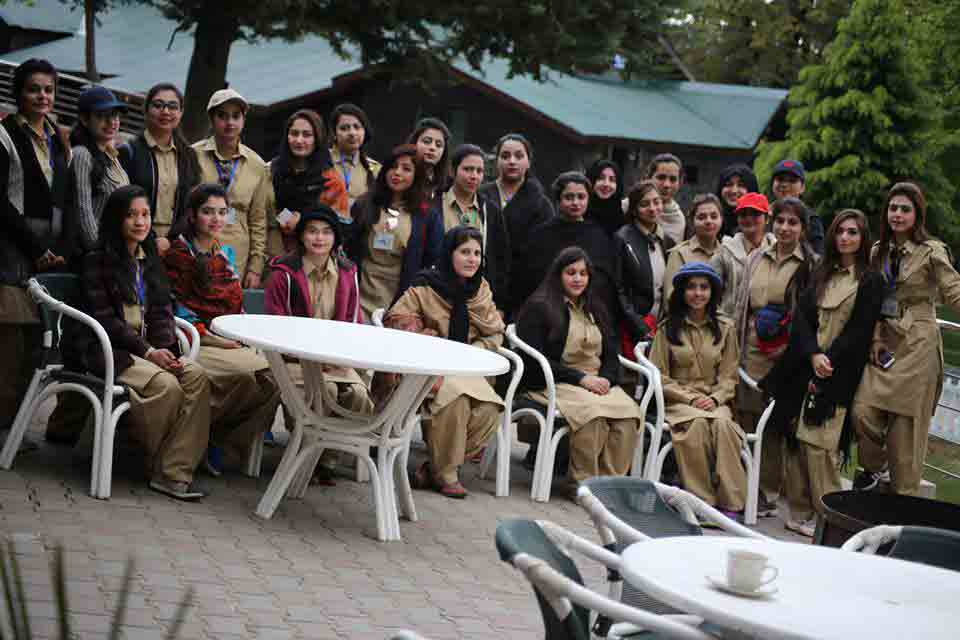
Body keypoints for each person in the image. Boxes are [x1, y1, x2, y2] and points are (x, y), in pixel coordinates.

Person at [65, 185, 211, 500]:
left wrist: (168, 352)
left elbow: (161, 312)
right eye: (131, 215)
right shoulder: (96, 261)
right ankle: (158, 465)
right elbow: (106, 321)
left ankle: (173, 471)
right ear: (116, 219)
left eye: (145, 214)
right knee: (167, 388)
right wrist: (148, 352)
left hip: (148, 352)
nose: (140, 222)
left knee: (196, 375)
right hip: (110, 351)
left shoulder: (149, 261)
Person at [761, 210, 883, 536]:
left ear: (862, 238)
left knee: (820, 446)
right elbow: (801, 316)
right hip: (805, 366)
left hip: (839, 371)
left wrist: (828, 359)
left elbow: (859, 329)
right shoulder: (820, 271)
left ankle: (833, 518)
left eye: (853, 232)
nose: (845, 237)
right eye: (840, 231)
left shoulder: (870, 279)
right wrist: (813, 354)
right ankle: (799, 513)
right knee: (796, 441)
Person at [164, 183, 281, 475]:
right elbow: (179, 311)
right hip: (197, 341)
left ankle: (218, 439)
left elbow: (236, 305)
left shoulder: (224, 254)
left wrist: (238, 336)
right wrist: (217, 341)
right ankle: (203, 440)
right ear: (192, 215)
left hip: (229, 339)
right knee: (256, 376)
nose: (216, 219)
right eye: (207, 212)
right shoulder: (179, 255)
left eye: (222, 212)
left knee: (276, 380)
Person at [852, 182, 960, 495]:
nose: (897, 215)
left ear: (917, 214)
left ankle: (904, 509)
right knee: (862, 411)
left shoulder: (931, 251)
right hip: (884, 340)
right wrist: (874, 338)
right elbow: (874, 300)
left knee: (905, 435)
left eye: (905, 209)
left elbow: (953, 290)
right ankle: (875, 468)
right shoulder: (878, 251)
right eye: (893, 208)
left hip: (918, 343)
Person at [387, 226, 505, 498]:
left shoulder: (481, 291)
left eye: (477, 253)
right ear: (449, 253)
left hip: (468, 369)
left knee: (490, 409)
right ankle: (446, 474)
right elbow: (396, 319)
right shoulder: (425, 286)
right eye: (464, 252)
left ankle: (432, 468)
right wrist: (424, 335)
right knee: (457, 400)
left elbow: (495, 332)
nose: (472, 259)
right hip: (431, 369)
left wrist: (475, 351)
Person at [516, 247, 641, 495]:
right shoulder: (540, 306)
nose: (577, 279)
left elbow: (611, 353)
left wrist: (605, 378)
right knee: (593, 414)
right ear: (558, 275)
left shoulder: (596, 307)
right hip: (554, 381)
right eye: (570, 272)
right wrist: (581, 379)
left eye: (583, 273)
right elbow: (533, 361)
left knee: (629, 415)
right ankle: (582, 485)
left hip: (594, 381)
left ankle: (608, 487)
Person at [264, 206, 373, 483]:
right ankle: (306, 458)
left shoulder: (348, 273)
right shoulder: (283, 273)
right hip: (294, 360)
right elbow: (276, 328)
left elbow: (353, 324)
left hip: (336, 361)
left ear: (335, 239)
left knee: (358, 398)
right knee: (325, 393)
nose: (319, 238)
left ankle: (325, 459)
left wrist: (342, 357)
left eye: (326, 232)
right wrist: (312, 358)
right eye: (312, 231)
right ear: (302, 237)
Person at [0, 58, 72, 432]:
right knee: (9, 344)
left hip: (48, 257)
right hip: (11, 253)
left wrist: (57, 248)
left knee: (36, 345)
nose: (42, 96)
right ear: (19, 93)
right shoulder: (5, 134)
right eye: (33, 89)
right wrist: (34, 247)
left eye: (48, 89)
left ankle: (15, 429)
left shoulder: (59, 139)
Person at [734, 196, 817, 516]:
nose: (785, 228)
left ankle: (768, 494)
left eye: (793, 222)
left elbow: (808, 318)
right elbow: (742, 306)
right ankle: (743, 486)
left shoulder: (809, 264)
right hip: (750, 351)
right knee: (745, 419)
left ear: (802, 228)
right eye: (780, 221)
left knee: (774, 428)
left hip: (785, 356)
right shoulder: (757, 257)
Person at [649, 262, 747, 517]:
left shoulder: (725, 329)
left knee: (725, 427)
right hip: (679, 403)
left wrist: (715, 399)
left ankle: (731, 502)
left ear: (712, 292)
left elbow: (729, 376)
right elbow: (659, 375)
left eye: (704, 287)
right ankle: (701, 503)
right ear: (682, 291)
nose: (698, 293)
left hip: (715, 402)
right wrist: (690, 399)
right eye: (691, 287)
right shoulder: (667, 328)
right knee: (697, 427)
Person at [345, 143, 442, 319]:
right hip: (360, 290)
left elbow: (431, 260)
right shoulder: (364, 204)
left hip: (401, 298)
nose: (397, 173)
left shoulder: (427, 215)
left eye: (406, 169)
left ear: (416, 175)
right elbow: (350, 249)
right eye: (393, 167)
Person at [192, 89, 270, 287]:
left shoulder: (257, 164)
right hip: (198, 248)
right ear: (211, 118)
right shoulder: (193, 155)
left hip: (239, 253)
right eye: (222, 116)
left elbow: (258, 219)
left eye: (236, 116)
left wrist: (255, 266)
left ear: (244, 120)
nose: (230, 123)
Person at [119, 82, 201, 254]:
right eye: (158, 105)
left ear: (181, 113)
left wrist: (170, 240)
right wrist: (151, 240)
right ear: (146, 110)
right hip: (134, 243)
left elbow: (191, 205)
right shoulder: (129, 152)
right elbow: (121, 204)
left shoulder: (188, 156)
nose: (165, 112)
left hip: (175, 247)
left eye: (172, 106)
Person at [478, 134, 554, 317]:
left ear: (528, 162)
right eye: (505, 156)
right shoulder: (481, 194)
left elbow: (542, 255)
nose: (512, 161)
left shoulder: (540, 204)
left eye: (519, 156)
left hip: (523, 293)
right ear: (496, 161)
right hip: (479, 285)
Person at [525, 172, 617, 323]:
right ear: (558, 200)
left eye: (581, 197)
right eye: (569, 197)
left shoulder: (598, 235)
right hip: (549, 312)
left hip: (588, 312)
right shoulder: (541, 234)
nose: (575, 202)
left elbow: (605, 279)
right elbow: (533, 276)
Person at [267, 109, 349, 267]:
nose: (299, 140)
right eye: (294, 133)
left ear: (317, 139)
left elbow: (339, 227)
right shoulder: (271, 171)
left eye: (307, 135)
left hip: (314, 262)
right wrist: (286, 218)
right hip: (273, 257)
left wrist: (302, 221)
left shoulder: (330, 180)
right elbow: (266, 211)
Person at [435, 144, 510, 310]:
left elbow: (500, 261)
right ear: (453, 171)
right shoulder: (434, 203)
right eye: (468, 169)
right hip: (435, 292)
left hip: (476, 297)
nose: (474, 176)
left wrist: (499, 306)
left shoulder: (490, 210)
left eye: (479, 171)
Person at [613, 180, 675, 358]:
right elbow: (618, 289)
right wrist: (638, 324)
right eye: (644, 204)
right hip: (635, 324)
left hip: (662, 323)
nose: (652, 208)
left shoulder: (666, 240)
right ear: (634, 209)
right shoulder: (622, 238)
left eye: (657, 202)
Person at [71, 86, 130, 252]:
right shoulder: (81, 154)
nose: (112, 122)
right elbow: (83, 211)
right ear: (84, 119)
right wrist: (97, 249)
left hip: (117, 250)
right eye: (102, 116)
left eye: (115, 115)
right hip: (96, 255)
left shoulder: (112, 155)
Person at [710, 192, 775, 318]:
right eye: (743, 214)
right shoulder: (725, 251)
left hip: (764, 328)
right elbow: (712, 291)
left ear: (767, 219)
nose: (749, 219)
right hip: (728, 325)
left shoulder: (775, 252)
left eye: (755, 214)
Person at [664, 193, 723, 302]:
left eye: (714, 216)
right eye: (702, 217)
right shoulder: (679, 253)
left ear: (721, 219)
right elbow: (670, 297)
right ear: (691, 221)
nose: (709, 221)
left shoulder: (727, 253)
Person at [328, 103, 381, 210]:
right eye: (344, 128)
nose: (352, 133)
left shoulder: (376, 169)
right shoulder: (319, 159)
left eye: (357, 127)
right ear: (334, 133)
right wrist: (285, 220)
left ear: (364, 131)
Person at [770, 159, 824, 255]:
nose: (784, 185)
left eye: (792, 181)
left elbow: (818, 257)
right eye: (780, 179)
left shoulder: (811, 219)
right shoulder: (761, 214)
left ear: (803, 187)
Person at [645, 153, 686, 243]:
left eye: (673, 179)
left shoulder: (679, 220)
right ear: (649, 177)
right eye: (661, 177)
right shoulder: (628, 206)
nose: (667, 184)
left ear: (680, 183)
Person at [407, 117, 452, 200]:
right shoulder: (401, 176)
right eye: (427, 141)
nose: (432, 148)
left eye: (438, 145)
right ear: (414, 142)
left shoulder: (448, 186)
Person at [715, 164, 759, 239]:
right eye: (728, 184)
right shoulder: (711, 220)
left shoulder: (760, 222)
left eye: (741, 185)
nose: (734, 191)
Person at [585, 159, 625, 237]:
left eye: (612, 180)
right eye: (600, 178)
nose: (606, 184)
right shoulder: (579, 214)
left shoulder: (621, 220)